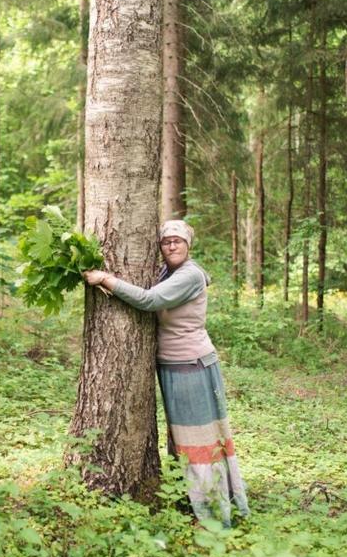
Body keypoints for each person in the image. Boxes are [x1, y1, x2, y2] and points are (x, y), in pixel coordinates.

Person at [83, 219, 249, 527]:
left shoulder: (190, 275)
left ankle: (214, 514)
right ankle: (196, 500)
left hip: (191, 366)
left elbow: (151, 300)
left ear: (188, 245)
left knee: (198, 441)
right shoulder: (167, 272)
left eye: (178, 241)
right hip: (176, 365)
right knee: (184, 442)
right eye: (166, 241)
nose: (171, 245)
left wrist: (105, 278)